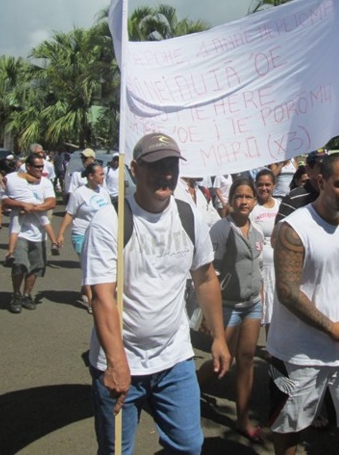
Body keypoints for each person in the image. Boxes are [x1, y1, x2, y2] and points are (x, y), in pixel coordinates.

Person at [82, 133, 231, 454]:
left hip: (174, 358)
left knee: (189, 446)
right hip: (121, 360)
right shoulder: (111, 220)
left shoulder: (188, 214)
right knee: (116, 450)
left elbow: (205, 278)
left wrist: (218, 336)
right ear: (134, 169)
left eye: (172, 165)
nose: (166, 174)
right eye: (156, 165)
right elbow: (102, 297)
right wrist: (117, 361)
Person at [268, 153, 339, 455]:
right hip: (296, 352)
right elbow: (287, 291)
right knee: (288, 429)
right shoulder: (294, 228)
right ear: (320, 181)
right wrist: (330, 328)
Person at [198, 178, 265, 443]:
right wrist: (207, 313)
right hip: (227, 307)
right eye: (239, 196)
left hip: (252, 306)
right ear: (231, 199)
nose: (244, 201)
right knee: (220, 363)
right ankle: (187, 392)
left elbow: (256, 266)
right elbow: (209, 273)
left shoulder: (257, 230)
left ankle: (242, 419)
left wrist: (259, 295)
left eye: (249, 197)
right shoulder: (221, 230)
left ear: (255, 200)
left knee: (246, 360)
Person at [2, 153, 57, 313]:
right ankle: (16, 294)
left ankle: (27, 294)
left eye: (42, 166)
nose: (41, 169)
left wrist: (33, 208)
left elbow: (51, 203)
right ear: (28, 167)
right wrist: (21, 204)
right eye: (37, 166)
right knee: (19, 264)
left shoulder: (45, 183)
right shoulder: (15, 180)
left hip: (38, 234)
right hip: (20, 232)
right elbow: (5, 201)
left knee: (35, 268)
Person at [55, 162, 110, 312]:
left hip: (100, 236)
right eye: (100, 174)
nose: (103, 177)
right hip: (82, 235)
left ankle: (85, 291)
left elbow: (109, 214)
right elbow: (69, 214)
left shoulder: (103, 192)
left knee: (96, 267)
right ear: (90, 176)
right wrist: (60, 235)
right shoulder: (79, 193)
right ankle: (93, 302)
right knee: (89, 268)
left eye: (103, 174)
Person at [250, 169, 281, 332]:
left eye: (267, 185)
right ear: (255, 186)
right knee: (261, 306)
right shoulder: (251, 208)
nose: (264, 188)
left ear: (274, 186)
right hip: (259, 267)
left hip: (277, 266)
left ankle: (273, 347)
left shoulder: (280, 206)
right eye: (260, 185)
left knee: (276, 306)